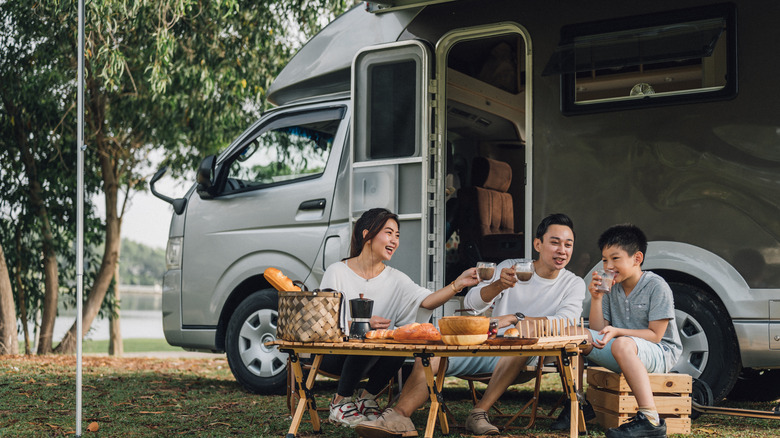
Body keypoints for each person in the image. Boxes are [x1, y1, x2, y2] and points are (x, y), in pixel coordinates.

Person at [356, 213, 588, 437]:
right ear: (538, 244)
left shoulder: (573, 283)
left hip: (526, 352)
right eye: (555, 243)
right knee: (432, 352)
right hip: (486, 344)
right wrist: (498, 285)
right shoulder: (512, 267)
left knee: (516, 344)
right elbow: (471, 303)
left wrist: (516, 319)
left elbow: (565, 321)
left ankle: (478, 413)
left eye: (568, 245)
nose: (562, 250)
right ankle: (398, 416)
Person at [319, 207, 479, 427]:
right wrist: (361, 324)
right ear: (367, 234)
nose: (394, 240)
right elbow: (324, 322)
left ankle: (367, 399)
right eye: (388, 233)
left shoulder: (396, 278)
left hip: (370, 358)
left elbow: (426, 300)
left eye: (397, 235)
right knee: (366, 336)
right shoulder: (337, 271)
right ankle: (340, 403)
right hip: (334, 354)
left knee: (398, 340)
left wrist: (457, 284)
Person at [583, 224, 682, 438]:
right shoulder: (611, 287)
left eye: (615, 258)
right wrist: (597, 298)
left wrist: (618, 332)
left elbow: (656, 335)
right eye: (604, 260)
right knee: (578, 334)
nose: (608, 266)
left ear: (637, 258)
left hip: (660, 352)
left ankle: (651, 419)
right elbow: (599, 332)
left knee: (622, 343)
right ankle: (579, 405)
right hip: (624, 349)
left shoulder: (657, 286)